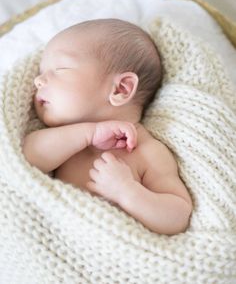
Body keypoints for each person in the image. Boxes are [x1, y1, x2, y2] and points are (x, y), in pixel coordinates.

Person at [23, 18, 193, 235]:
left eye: (61, 69)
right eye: (41, 71)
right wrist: (89, 133)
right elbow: (26, 157)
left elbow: (178, 217)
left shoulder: (146, 151)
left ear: (121, 89)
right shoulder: (62, 140)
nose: (38, 81)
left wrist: (128, 192)